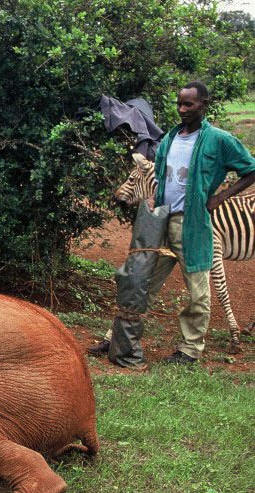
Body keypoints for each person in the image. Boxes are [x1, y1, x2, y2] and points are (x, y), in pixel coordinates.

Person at [89, 81, 255, 364]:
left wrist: (221, 197)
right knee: (142, 282)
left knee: (198, 291)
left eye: (188, 104)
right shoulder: (168, 139)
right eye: (179, 103)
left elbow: (250, 170)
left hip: (194, 225)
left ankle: (190, 351)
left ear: (203, 104)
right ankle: (117, 338)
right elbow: (164, 178)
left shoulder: (219, 139)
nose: (182, 109)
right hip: (163, 222)